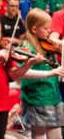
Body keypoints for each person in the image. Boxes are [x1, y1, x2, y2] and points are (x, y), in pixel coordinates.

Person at [20, 8, 64, 139]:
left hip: (52, 95)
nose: (50, 31)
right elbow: (23, 72)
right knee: (39, 135)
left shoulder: (47, 44)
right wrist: (51, 73)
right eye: (46, 29)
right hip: (38, 97)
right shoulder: (27, 46)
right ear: (34, 30)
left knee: (56, 135)